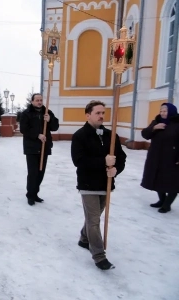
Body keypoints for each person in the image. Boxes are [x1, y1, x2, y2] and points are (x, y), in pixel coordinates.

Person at [71, 100, 126, 271]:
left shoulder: (111, 135)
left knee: (92, 218)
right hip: (88, 184)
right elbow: (78, 161)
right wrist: (103, 161)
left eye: (103, 113)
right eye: (98, 113)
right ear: (88, 115)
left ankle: (84, 238)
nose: (102, 116)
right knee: (94, 221)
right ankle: (99, 256)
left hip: (106, 184)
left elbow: (122, 158)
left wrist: (116, 169)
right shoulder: (80, 136)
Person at [19, 93, 59, 206]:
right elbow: (23, 129)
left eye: (41, 100)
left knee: (41, 172)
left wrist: (50, 120)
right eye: (37, 100)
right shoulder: (26, 114)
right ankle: (30, 195)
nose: (39, 102)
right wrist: (37, 135)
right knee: (33, 173)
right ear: (32, 101)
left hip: (44, 147)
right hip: (31, 148)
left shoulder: (47, 112)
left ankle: (35, 193)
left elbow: (55, 127)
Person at [141, 103, 179, 213]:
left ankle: (167, 204)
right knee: (157, 179)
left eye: (165, 111)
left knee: (173, 182)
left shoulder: (177, 123)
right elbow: (145, 134)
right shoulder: (156, 121)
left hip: (172, 158)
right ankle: (161, 200)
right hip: (156, 157)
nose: (162, 113)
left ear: (171, 111)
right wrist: (154, 128)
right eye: (161, 111)